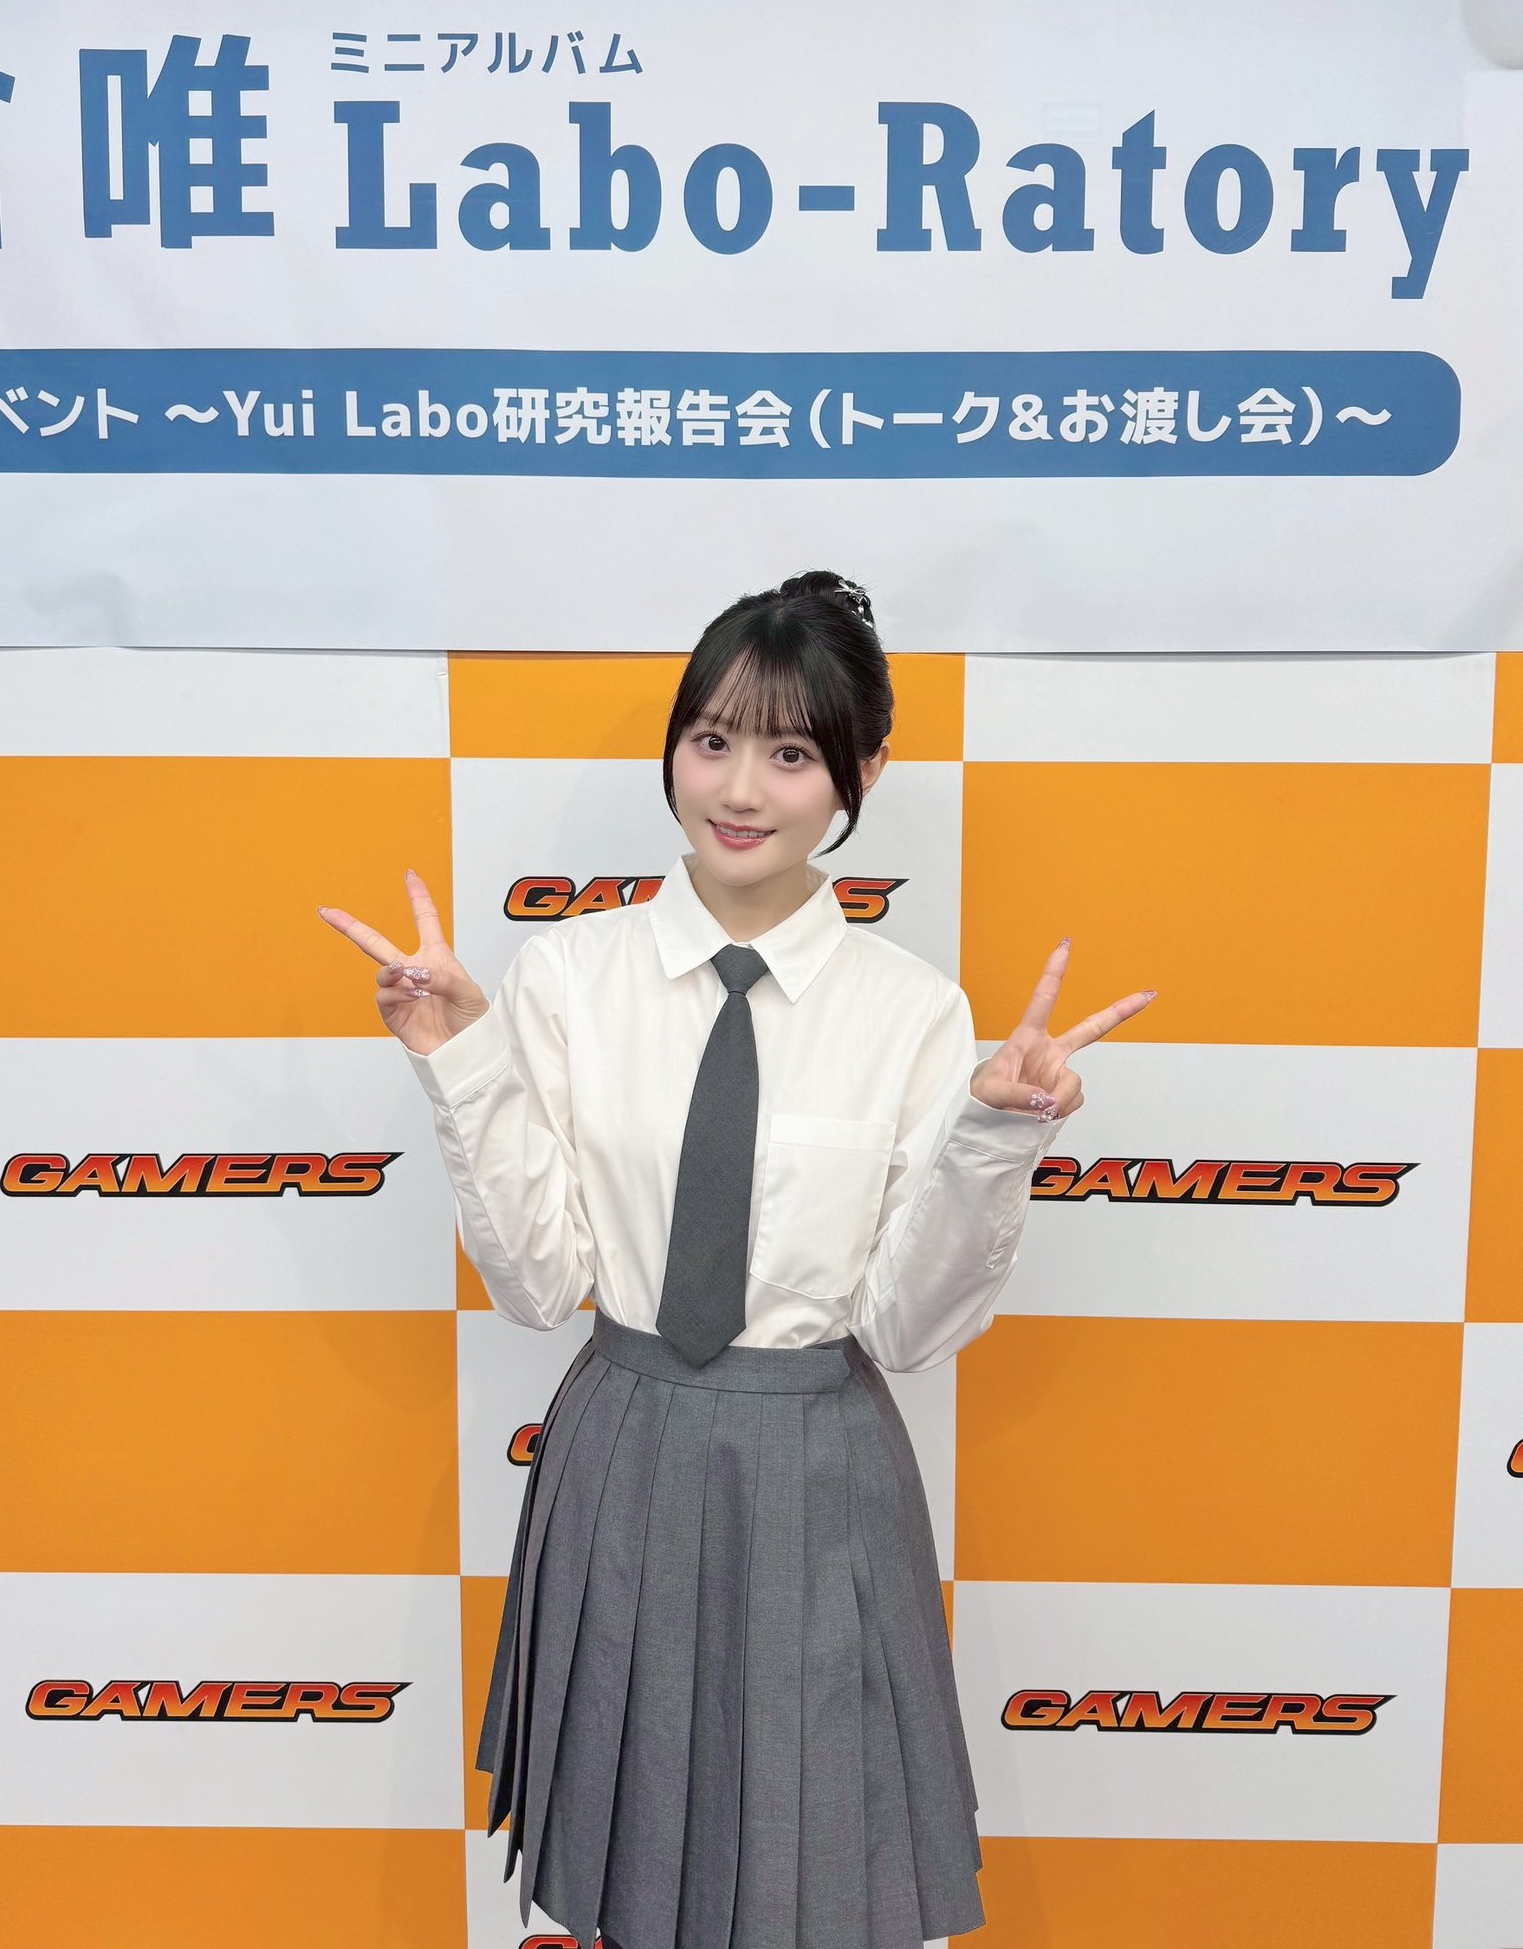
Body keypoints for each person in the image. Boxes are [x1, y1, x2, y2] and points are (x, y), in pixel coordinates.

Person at [319, 569, 1155, 1949]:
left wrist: (995, 1137)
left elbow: (908, 1327)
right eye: (712, 741)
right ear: (674, 752)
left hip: (820, 1461)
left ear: (861, 773)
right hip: (622, 1445)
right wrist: (459, 1060)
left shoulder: (914, 1012)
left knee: (815, 1865)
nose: (742, 789)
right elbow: (537, 1285)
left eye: (791, 753)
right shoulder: (567, 978)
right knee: (628, 1862)